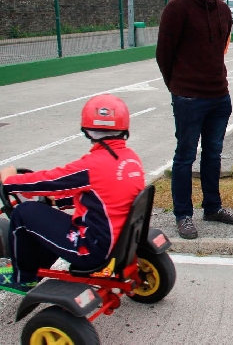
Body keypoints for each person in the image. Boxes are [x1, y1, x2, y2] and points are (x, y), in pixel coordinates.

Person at [0, 94, 144, 293]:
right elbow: (104, 195)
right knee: (45, 214)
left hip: (91, 249)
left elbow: (51, 181)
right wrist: (59, 201)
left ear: (87, 129)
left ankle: (22, 278)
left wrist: (9, 181)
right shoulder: (130, 159)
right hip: (120, 242)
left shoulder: (92, 165)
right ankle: (39, 262)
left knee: (23, 213)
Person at [156, 0, 233, 240]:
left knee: (214, 154)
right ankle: (183, 215)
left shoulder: (223, 8)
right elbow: (163, 54)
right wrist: (179, 87)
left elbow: (220, 50)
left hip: (219, 95)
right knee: (184, 157)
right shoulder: (178, 7)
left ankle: (212, 207)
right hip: (189, 98)